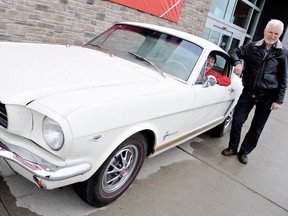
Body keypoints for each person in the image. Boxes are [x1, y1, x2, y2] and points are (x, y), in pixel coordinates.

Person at [221, 19, 288, 164]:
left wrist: (279, 100)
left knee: (257, 127)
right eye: (271, 32)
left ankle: (244, 152)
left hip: (268, 97)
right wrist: (237, 62)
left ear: (280, 34)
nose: (273, 36)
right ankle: (233, 147)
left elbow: (284, 78)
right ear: (265, 31)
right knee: (237, 120)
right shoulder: (252, 47)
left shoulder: (282, 53)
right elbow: (233, 51)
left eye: (276, 33)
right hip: (249, 92)